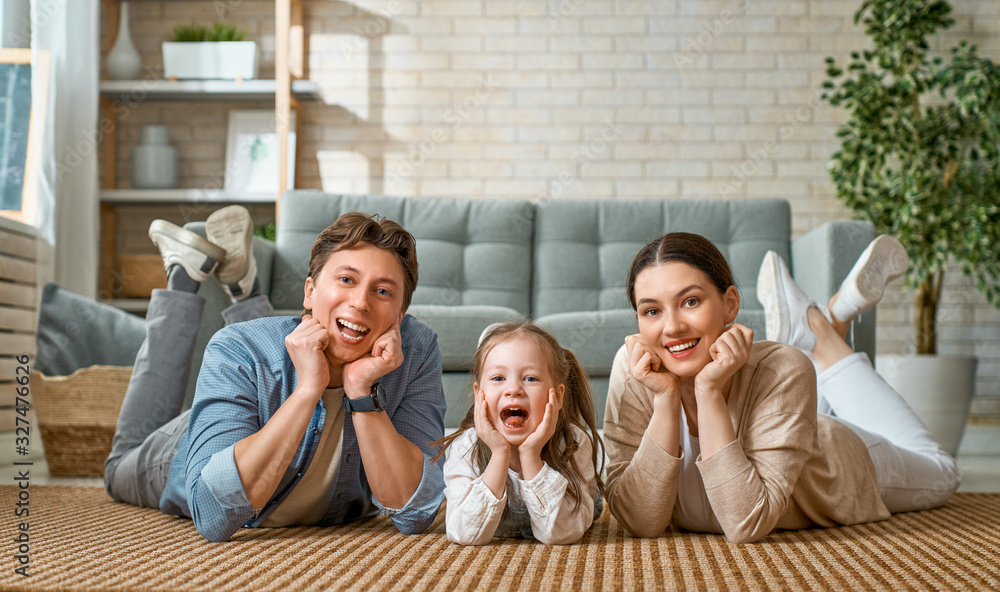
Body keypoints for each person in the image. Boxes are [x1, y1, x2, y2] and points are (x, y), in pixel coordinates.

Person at [103, 205, 446, 542]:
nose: (360, 302)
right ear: (309, 291)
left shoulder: (416, 352)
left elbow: (415, 513)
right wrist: (309, 389)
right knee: (117, 467)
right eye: (346, 279)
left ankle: (244, 290)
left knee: (266, 350)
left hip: (260, 401)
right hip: (181, 449)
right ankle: (182, 275)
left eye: (382, 291)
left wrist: (361, 391)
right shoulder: (236, 346)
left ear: (400, 316)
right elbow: (213, 516)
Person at [603, 232, 960, 544]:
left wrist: (708, 391)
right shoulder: (635, 368)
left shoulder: (782, 369)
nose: (672, 327)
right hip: (783, 420)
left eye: (691, 301)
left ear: (730, 303)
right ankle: (827, 322)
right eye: (651, 311)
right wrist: (666, 400)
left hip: (836, 460)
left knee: (943, 474)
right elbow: (641, 521)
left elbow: (745, 524)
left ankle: (820, 333)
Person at [435, 322, 605, 545]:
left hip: (571, 507)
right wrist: (499, 453)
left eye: (530, 378)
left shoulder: (573, 443)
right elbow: (466, 534)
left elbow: (562, 534)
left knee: (591, 508)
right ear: (479, 395)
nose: (513, 389)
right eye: (498, 378)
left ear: (558, 396)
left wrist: (530, 454)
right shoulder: (465, 446)